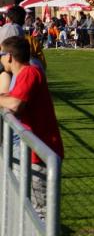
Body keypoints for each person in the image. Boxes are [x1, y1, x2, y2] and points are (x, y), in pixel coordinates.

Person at [0, 36, 64, 219]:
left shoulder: (30, 72)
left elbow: (14, 104)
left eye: (1, 55)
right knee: (30, 209)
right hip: (35, 152)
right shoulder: (24, 75)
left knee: (41, 214)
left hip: (42, 154)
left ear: (10, 56)